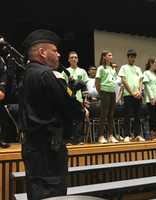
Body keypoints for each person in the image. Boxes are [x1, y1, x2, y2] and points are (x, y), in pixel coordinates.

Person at [19, 29, 84, 200]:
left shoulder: (27, 73)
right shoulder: (46, 75)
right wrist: (81, 111)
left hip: (32, 147)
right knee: (52, 194)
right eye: (54, 50)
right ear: (42, 52)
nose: (59, 54)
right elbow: (69, 106)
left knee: (36, 191)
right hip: (49, 150)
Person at [118, 49, 145, 142]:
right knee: (127, 116)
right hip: (128, 95)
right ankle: (126, 135)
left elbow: (140, 81)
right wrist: (131, 93)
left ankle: (137, 134)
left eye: (134, 57)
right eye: (131, 57)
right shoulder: (123, 68)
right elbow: (124, 81)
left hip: (137, 95)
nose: (132, 59)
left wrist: (139, 92)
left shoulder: (138, 69)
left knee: (138, 115)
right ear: (128, 57)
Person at [95, 50, 119, 144]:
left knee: (111, 115)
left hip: (112, 91)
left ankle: (110, 136)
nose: (111, 57)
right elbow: (97, 82)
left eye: (111, 55)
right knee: (104, 114)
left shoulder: (112, 68)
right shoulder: (101, 68)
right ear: (104, 57)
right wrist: (100, 93)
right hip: (104, 92)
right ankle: (100, 136)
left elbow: (114, 80)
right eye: (109, 55)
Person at [143, 57, 156, 140]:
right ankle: (152, 134)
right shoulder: (146, 73)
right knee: (152, 116)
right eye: (155, 62)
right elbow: (147, 86)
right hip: (150, 98)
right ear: (150, 63)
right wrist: (151, 97)